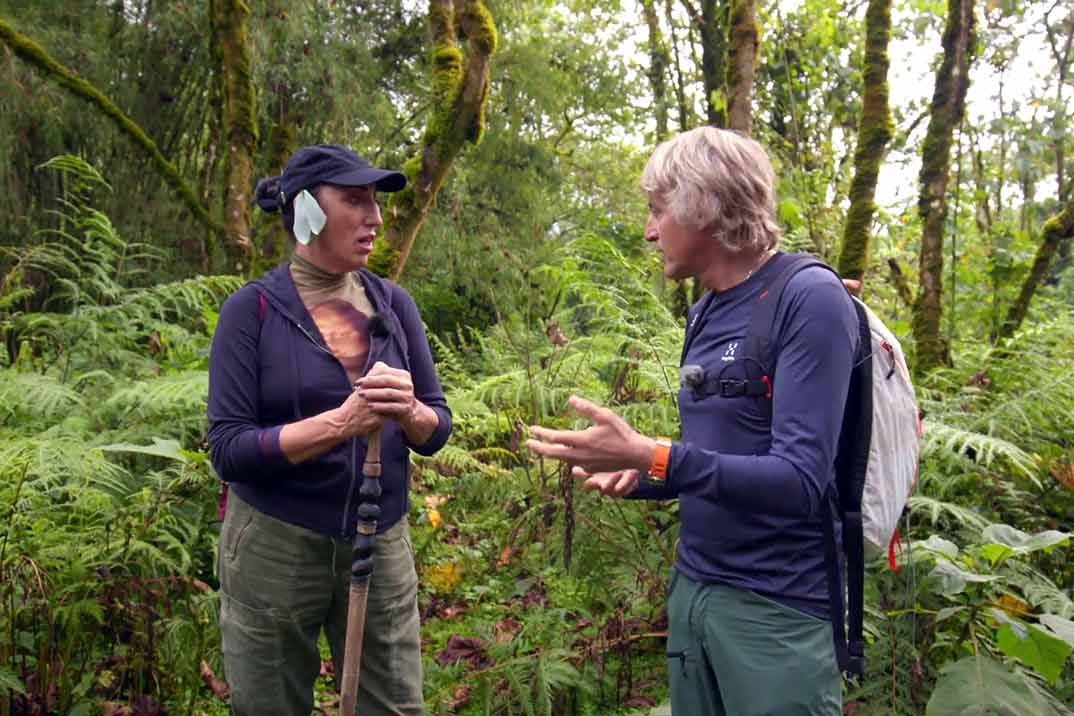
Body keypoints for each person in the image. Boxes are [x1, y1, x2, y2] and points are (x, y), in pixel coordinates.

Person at [527, 127, 859, 716]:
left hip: (775, 611)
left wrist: (653, 455)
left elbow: (801, 482)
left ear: (703, 206)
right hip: (694, 594)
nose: (650, 230)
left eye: (658, 211)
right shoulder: (705, 309)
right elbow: (718, 456)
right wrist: (640, 473)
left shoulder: (807, 298)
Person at [207, 144, 452, 716]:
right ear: (307, 211)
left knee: (392, 705)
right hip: (275, 543)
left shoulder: (393, 305)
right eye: (356, 200)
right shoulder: (254, 311)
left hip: (379, 540)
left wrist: (409, 412)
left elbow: (436, 427)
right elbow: (229, 449)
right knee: (270, 704)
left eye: (376, 202)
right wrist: (341, 423)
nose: (375, 217)